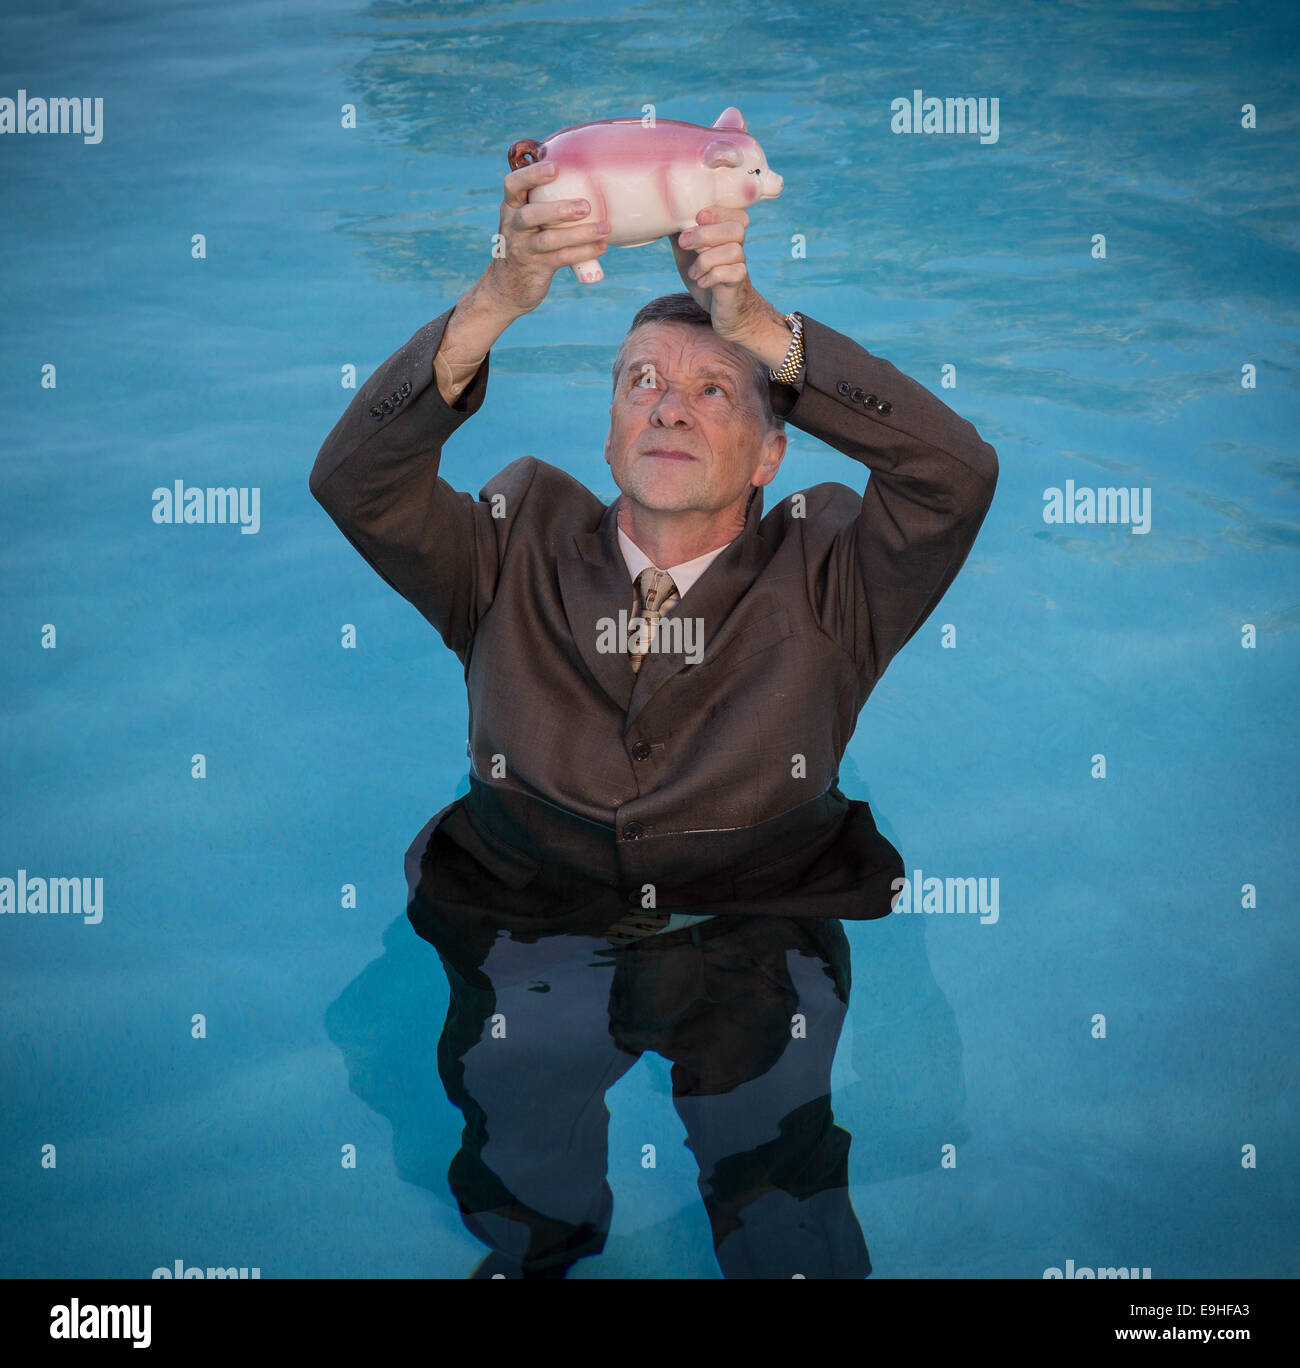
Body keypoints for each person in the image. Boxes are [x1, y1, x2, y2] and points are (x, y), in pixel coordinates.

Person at [311, 157, 998, 1278]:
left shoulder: (833, 573)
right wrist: (494, 301)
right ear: (607, 437)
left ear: (772, 454)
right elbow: (353, 481)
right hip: (527, 913)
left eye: (714, 388)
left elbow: (955, 476)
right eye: (639, 382)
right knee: (515, 1182)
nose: (669, 403)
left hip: (754, 924)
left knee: (784, 1197)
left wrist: (761, 326)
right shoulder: (508, 541)